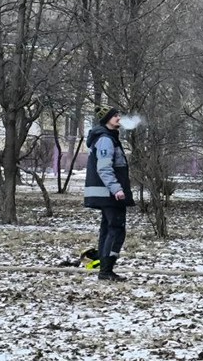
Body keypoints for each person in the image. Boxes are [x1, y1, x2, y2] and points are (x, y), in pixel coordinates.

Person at [83, 106, 135, 282]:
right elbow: (104, 168)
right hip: (109, 194)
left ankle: (104, 268)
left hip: (107, 194)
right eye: (115, 116)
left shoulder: (106, 137)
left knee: (108, 229)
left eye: (119, 115)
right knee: (116, 229)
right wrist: (117, 189)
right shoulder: (105, 140)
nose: (119, 118)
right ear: (107, 119)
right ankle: (106, 270)